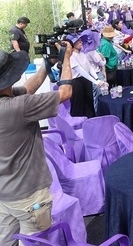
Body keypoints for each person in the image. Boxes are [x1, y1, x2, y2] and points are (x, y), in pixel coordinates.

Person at [0, 45, 73, 245]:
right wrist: (67, 58)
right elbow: (65, 92)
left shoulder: (11, 101)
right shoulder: (18, 107)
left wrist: (47, 66)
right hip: (29, 196)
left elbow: (28, 89)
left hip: (4, 195)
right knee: (36, 242)